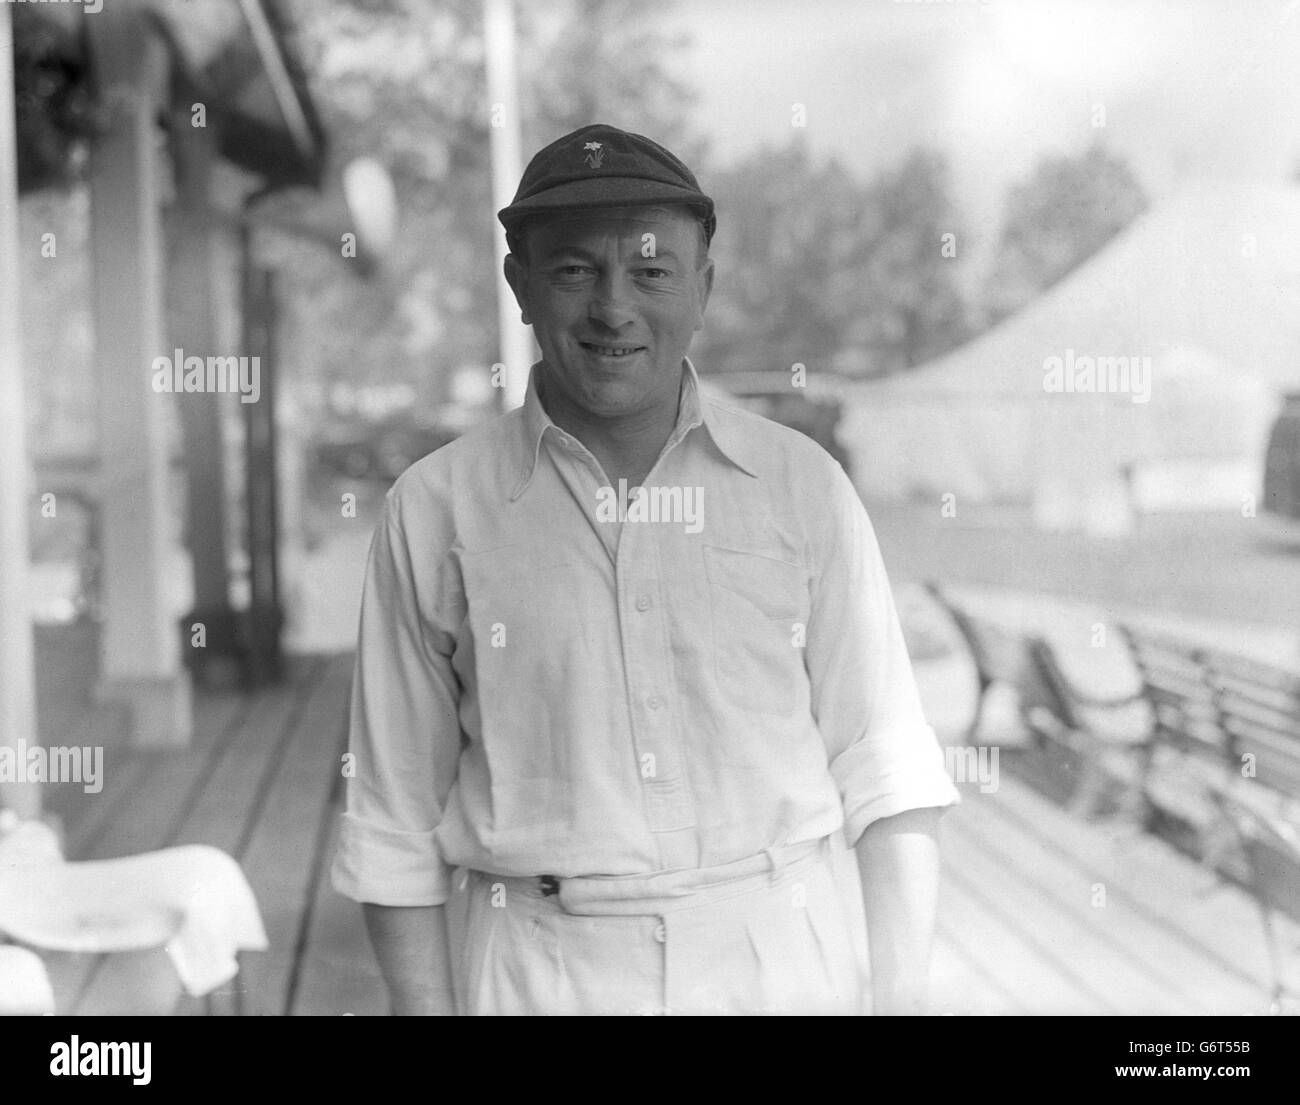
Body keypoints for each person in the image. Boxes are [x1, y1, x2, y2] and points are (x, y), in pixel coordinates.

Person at [331, 123, 960, 1016]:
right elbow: (394, 822)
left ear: (701, 288)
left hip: (778, 961)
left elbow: (885, 764)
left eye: (653, 270)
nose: (614, 308)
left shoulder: (801, 488)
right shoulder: (434, 509)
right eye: (576, 270)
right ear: (521, 286)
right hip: (536, 970)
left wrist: (901, 1003)